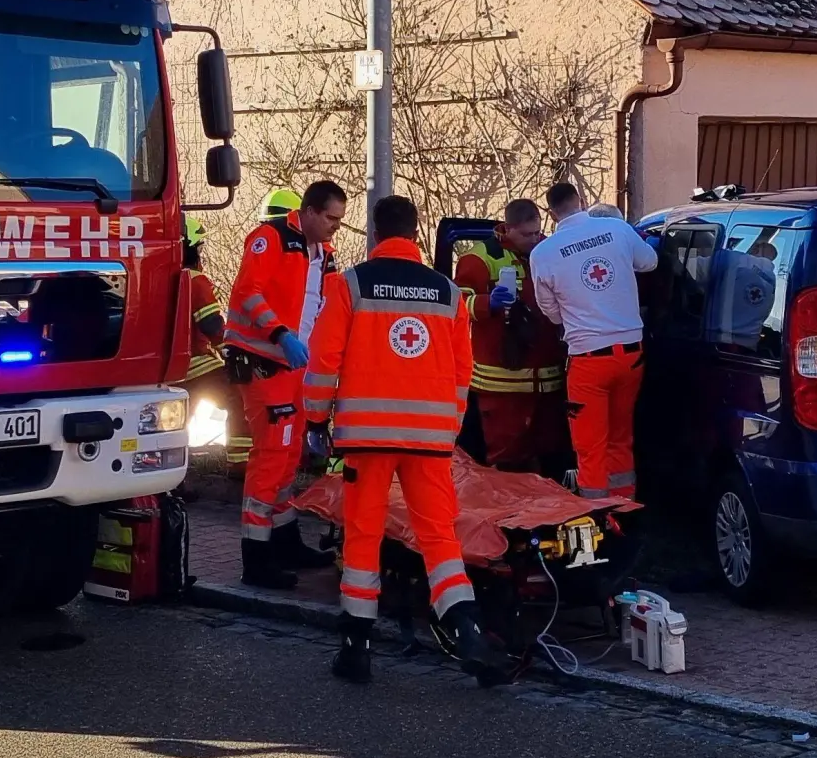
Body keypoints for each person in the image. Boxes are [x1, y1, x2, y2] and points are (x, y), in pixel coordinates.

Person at [302, 195, 510, 686]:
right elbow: (465, 373)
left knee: (364, 537)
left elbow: (324, 360)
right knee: (439, 537)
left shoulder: (351, 284)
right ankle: (468, 629)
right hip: (431, 441)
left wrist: (315, 420)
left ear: (376, 233)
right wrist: (448, 426)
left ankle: (357, 650)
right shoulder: (448, 293)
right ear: (415, 235)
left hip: (366, 440)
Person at [224, 180, 347, 587]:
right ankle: (256, 560)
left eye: (339, 220)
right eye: (330, 218)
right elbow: (247, 293)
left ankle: (285, 539)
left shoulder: (322, 255)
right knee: (271, 456)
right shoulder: (271, 238)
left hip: (296, 367)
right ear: (309, 212)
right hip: (265, 363)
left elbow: (327, 305)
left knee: (289, 453)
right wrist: (279, 334)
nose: (335, 226)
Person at [529, 182, 659, 501]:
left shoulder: (543, 254)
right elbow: (650, 262)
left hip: (588, 360)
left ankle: (596, 515)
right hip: (632, 356)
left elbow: (552, 313)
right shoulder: (616, 229)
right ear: (583, 201)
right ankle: (625, 504)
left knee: (590, 444)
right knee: (620, 435)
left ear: (550, 212)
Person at [452, 198, 571, 475]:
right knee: (506, 463)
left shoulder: (548, 251)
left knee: (551, 458)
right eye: (527, 235)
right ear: (508, 228)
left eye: (537, 233)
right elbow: (458, 304)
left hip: (547, 382)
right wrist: (487, 303)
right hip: (500, 385)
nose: (534, 240)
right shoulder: (479, 258)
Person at [173, 216, 250, 480]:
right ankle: (240, 463)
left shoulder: (158, 277)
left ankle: (173, 475)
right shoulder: (195, 280)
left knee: (172, 423)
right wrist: (230, 351)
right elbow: (211, 323)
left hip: (165, 370)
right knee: (238, 393)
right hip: (196, 363)